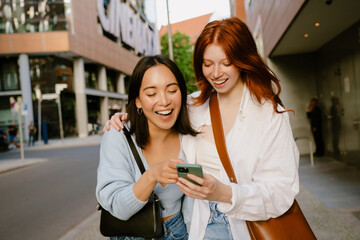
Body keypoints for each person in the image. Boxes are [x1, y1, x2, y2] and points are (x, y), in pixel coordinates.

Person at [105, 18, 299, 240]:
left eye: (226, 63)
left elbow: (282, 192)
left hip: (244, 227)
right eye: (207, 64)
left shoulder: (270, 115)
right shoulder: (193, 106)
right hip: (196, 226)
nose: (216, 73)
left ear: (244, 60)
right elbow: (161, 107)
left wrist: (224, 193)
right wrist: (126, 117)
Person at [96, 55, 197, 240]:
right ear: (138, 101)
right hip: (133, 234)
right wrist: (151, 176)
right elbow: (118, 207)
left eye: (172, 90)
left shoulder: (191, 133)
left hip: (180, 231)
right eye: (151, 94)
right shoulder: (118, 134)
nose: (164, 100)